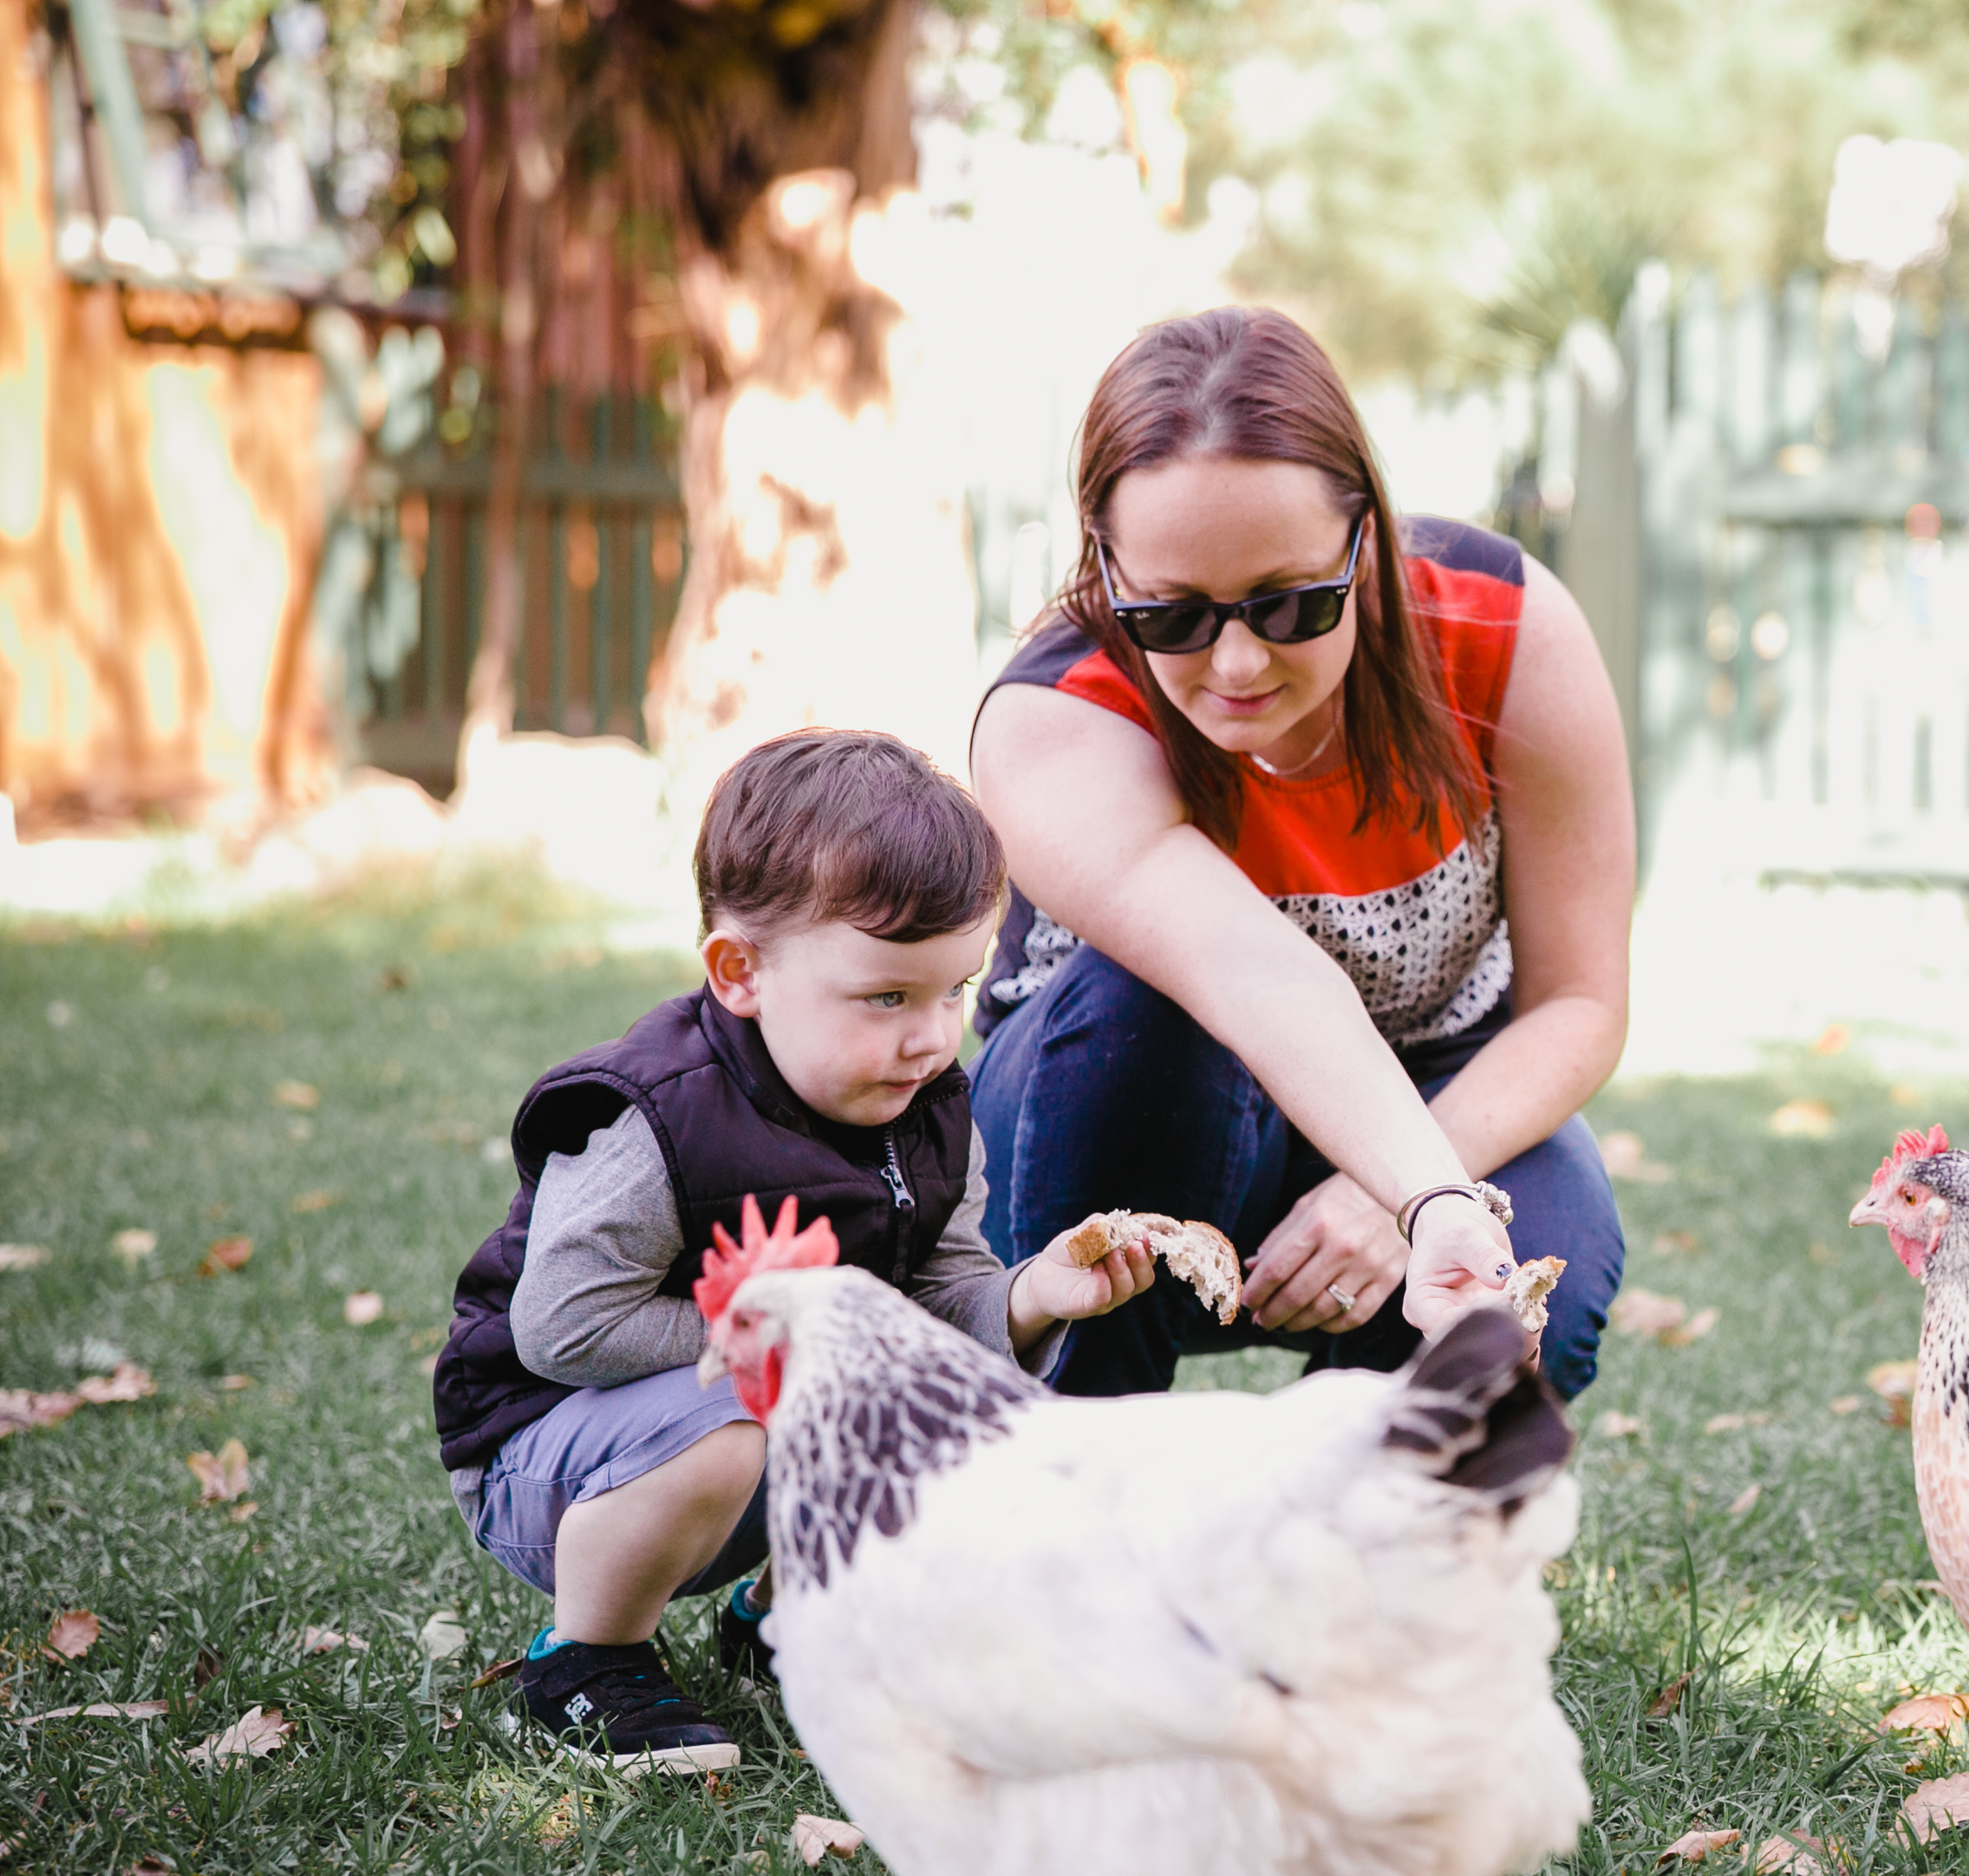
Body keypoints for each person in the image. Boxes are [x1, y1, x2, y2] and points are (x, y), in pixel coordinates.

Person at [433, 729, 1159, 1772]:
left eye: (954, 990)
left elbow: (937, 1303)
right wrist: (789, 1335)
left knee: (980, 1416)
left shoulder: (929, 1108)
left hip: (744, 1434)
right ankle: (584, 1663)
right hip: (550, 1459)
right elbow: (561, 1325)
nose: (931, 1037)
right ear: (741, 972)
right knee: (735, 1417)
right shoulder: (657, 1116)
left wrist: (1030, 1296)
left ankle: (785, 1619)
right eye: (887, 997)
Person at [968, 304, 1634, 1403]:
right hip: (1111, 1130)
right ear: (1104, 564)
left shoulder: (1500, 625)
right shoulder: (1056, 712)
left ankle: (1367, 1533)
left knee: (1531, 1292)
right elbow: (1246, 970)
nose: (1234, 661)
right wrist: (1423, 1191)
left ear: (1365, 538)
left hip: (1427, 1102)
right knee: (1140, 1013)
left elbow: (1580, 1004)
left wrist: (1403, 1193)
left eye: (1287, 603)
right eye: (1171, 615)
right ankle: (1072, 1472)